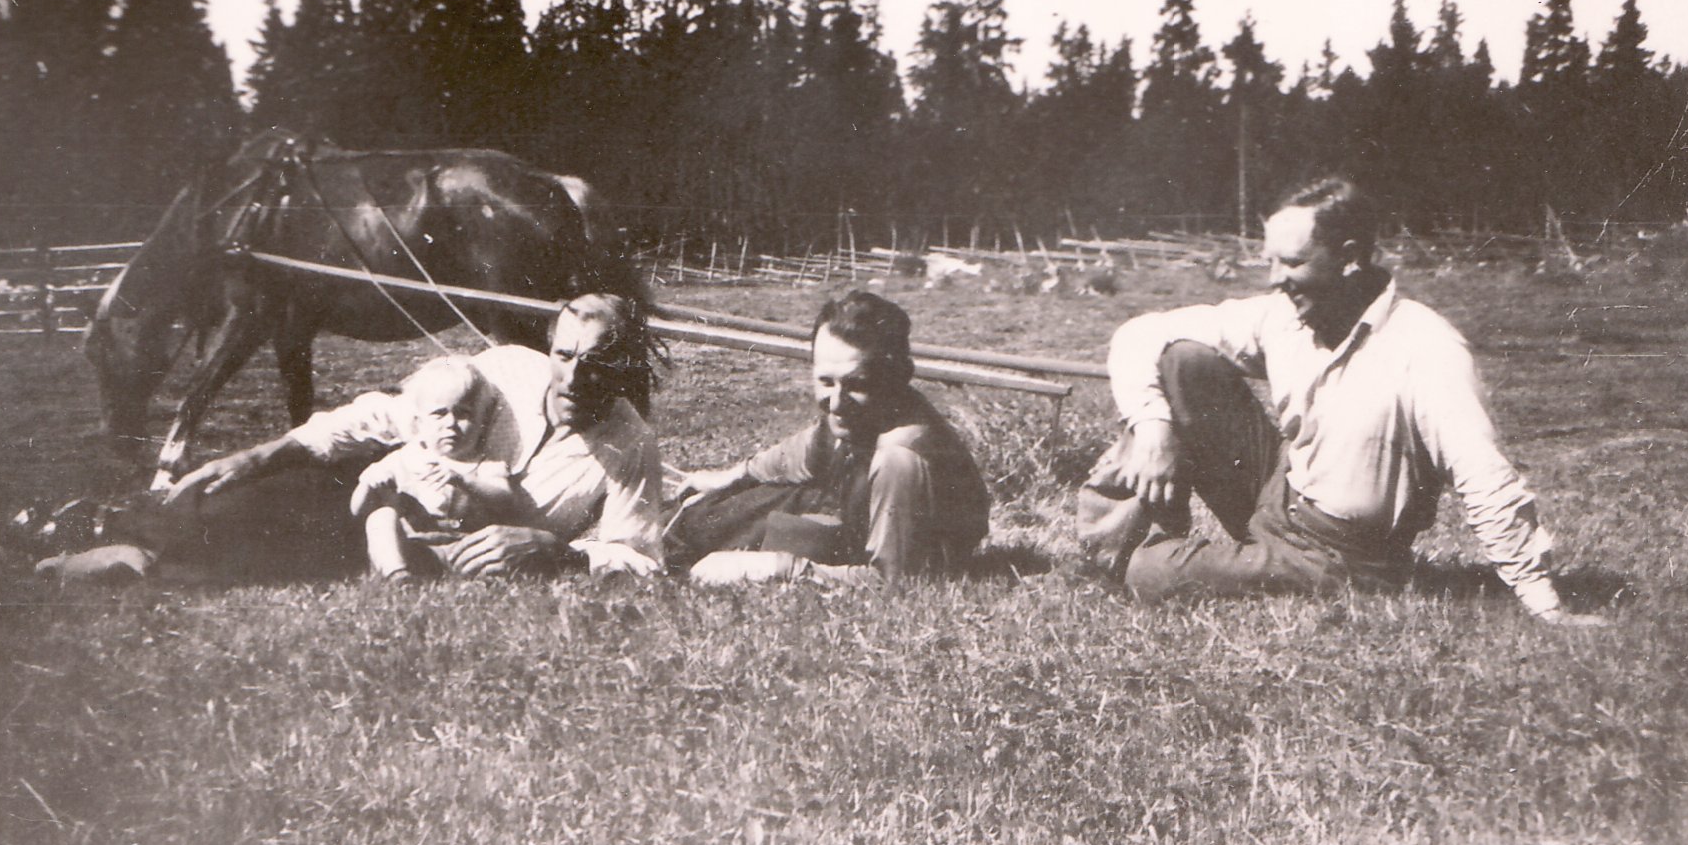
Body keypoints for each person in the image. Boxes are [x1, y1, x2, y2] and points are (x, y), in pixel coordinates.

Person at [1078, 176, 1605, 626]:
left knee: (1151, 574)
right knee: (1183, 360)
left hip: (1343, 553)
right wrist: (1153, 427)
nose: (1273, 278)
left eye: (1292, 262)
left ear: (1349, 258)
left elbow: (1484, 475)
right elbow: (1139, 332)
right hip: (1280, 494)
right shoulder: (1282, 315)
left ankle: (1149, 562)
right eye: (1270, 261)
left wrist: (1543, 603)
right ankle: (1105, 554)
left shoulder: (1424, 348)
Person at [41, 293, 663, 581]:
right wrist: (267, 449)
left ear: (627, 365)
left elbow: (641, 556)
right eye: (565, 354)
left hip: (436, 552)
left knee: (295, 555)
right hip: (390, 501)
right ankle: (107, 537)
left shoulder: (630, 446)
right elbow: (387, 415)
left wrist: (552, 547)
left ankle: (134, 553)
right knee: (281, 488)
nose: (574, 375)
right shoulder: (508, 369)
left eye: (599, 363)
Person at [670, 290, 990, 586]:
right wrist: (731, 476)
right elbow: (805, 450)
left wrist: (780, 567)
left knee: (751, 536)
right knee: (704, 514)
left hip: (907, 549)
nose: (836, 403)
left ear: (896, 378)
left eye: (857, 385)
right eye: (825, 381)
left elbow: (897, 581)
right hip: (852, 514)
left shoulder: (900, 459)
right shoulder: (857, 415)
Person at [350, 356, 522, 584]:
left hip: (465, 551)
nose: (450, 422)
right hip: (414, 549)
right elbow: (357, 511)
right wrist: (369, 485)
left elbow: (507, 502)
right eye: (439, 414)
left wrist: (464, 481)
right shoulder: (401, 460)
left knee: (492, 550)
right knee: (381, 517)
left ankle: (479, 580)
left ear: (482, 422)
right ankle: (397, 575)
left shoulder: (486, 465)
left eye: (463, 413)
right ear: (419, 423)